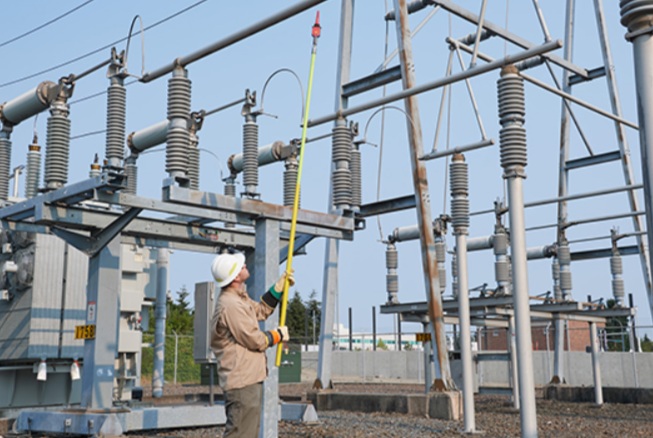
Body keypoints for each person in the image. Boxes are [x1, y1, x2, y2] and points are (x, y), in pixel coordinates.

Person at [209, 251, 294, 437]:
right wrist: (277, 335)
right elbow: (255, 340)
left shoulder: (239, 298)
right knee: (241, 434)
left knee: (247, 432)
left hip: (248, 379)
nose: (245, 265)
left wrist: (278, 288)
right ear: (235, 277)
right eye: (241, 266)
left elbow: (261, 310)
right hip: (242, 383)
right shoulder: (231, 305)